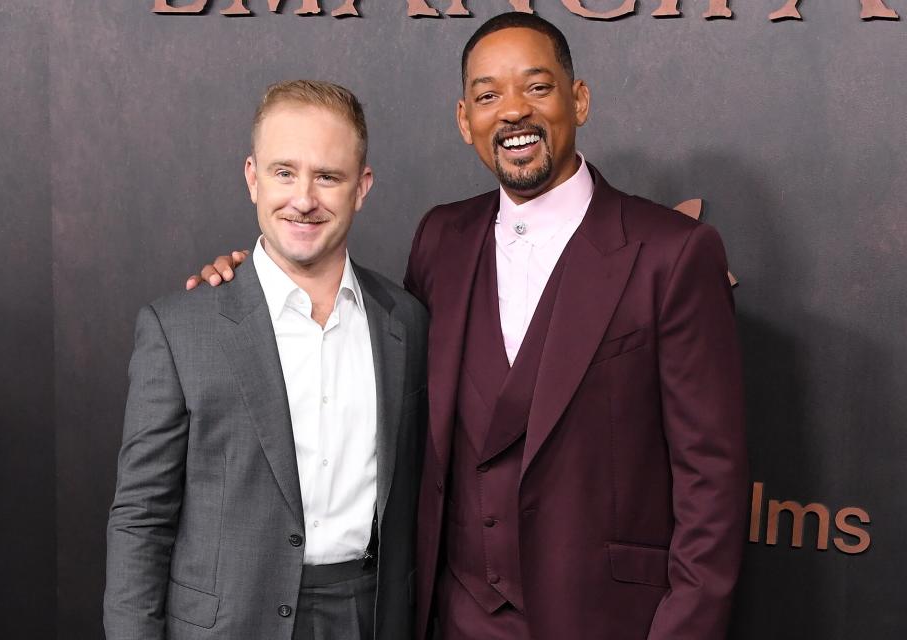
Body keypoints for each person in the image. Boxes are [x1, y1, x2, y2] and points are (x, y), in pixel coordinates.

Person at [188, 12, 748, 640]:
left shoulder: (672, 251)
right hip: (451, 616)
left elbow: (713, 484)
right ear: (465, 121)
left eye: (536, 87)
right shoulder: (440, 240)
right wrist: (252, 277)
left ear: (579, 99)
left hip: (606, 619)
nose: (512, 111)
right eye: (488, 95)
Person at [105, 80, 428, 640]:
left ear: (362, 187)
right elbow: (141, 519)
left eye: (328, 176)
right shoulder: (179, 327)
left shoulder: (406, 320)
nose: (304, 198)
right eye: (284, 172)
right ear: (253, 177)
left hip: (369, 618)